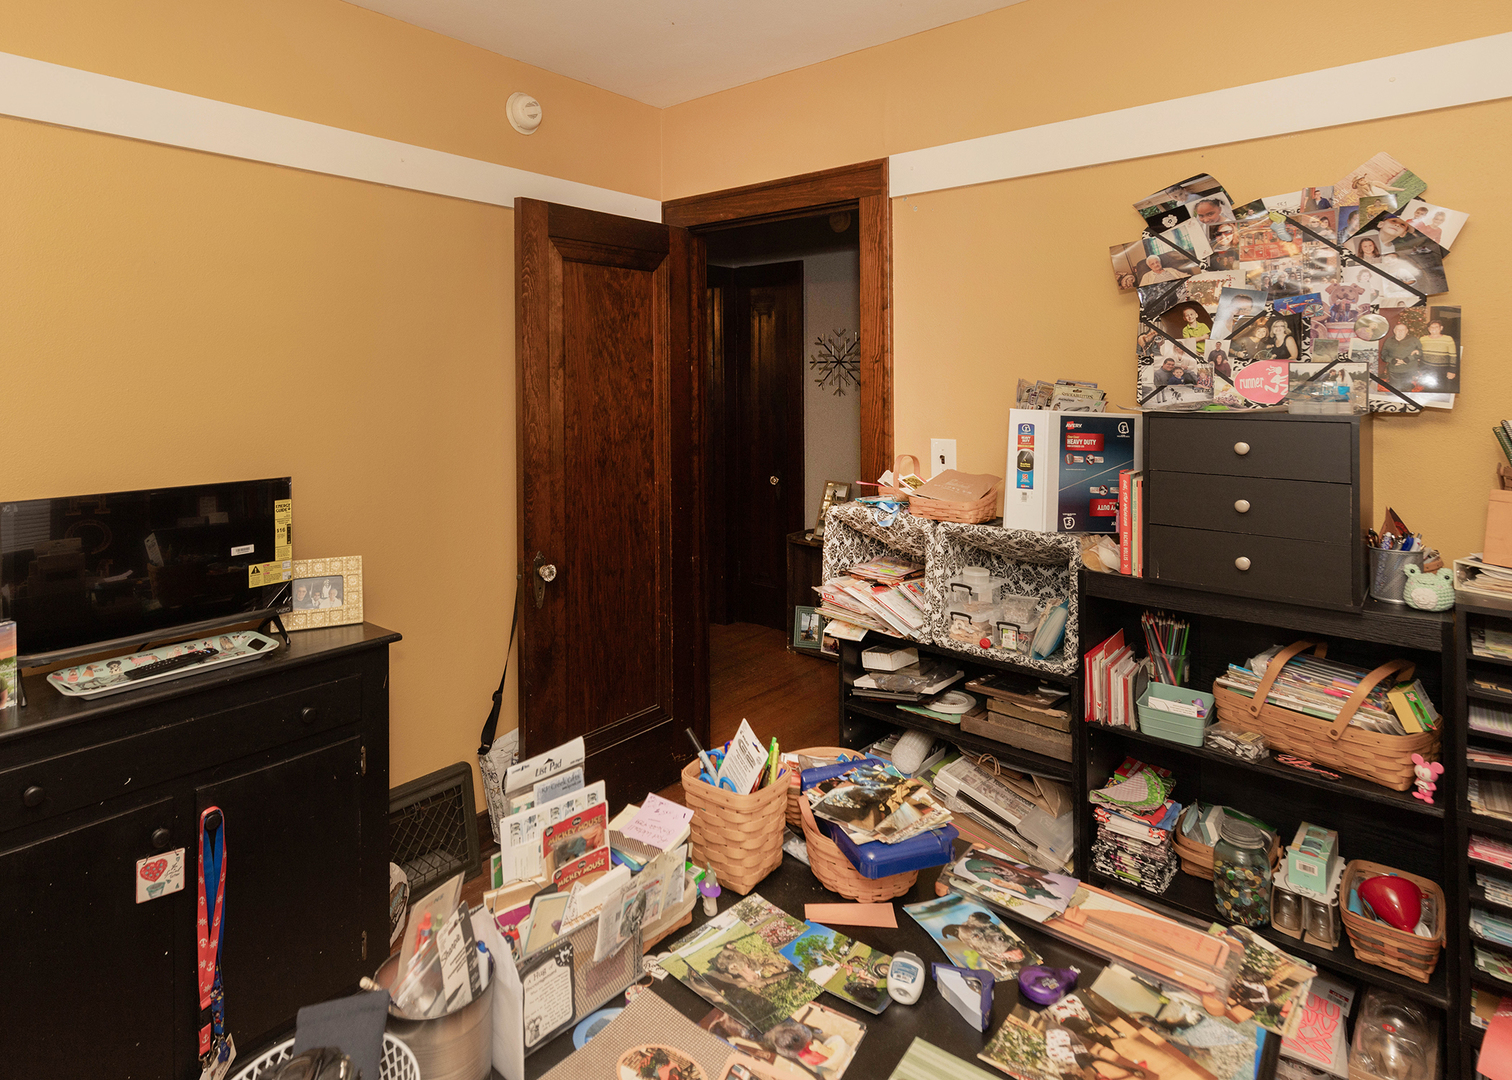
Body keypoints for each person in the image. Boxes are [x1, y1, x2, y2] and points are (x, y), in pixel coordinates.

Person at [1419, 319, 1457, 387]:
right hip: (1426, 369)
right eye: (1432, 327)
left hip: (1442, 371)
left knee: (1441, 389)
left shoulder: (1448, 339)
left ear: (1441, 328)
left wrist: (1452, 371)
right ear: (1428, 329)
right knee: (1426, 389)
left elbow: (1453, 356)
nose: (1434, 329)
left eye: (1436, 327)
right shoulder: (1422, 339)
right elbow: (1419, 354)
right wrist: (1419, 369)